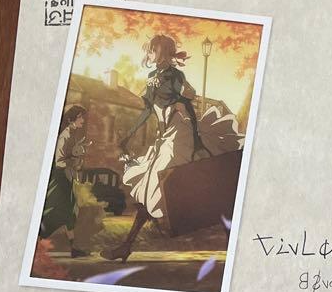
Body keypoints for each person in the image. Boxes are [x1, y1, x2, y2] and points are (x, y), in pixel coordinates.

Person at [103, 34, 243, 261]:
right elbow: (147, 111)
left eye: (153, 50)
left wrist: (197, 141)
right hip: (163, 136)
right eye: (149, 51)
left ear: (164, 53)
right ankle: (126, 246)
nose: (149, 54)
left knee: (167, 183)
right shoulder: (151, 78)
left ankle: (231, 239)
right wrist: (129, 135)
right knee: (149, 189)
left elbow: (184, 105)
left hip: (179, 133)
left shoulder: (176, 76)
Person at [39, 104, 90, 257]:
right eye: (80, 117)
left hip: (66, 178)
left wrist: (76, 163)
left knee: (68, 212)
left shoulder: (72, 135)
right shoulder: (65, 136)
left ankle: (73, 249)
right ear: (71, 119)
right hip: (60, 179)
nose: (83, 120)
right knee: (57, 212)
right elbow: (59, 162)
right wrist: (73, 161)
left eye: (83, 117)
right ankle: (34, 243)